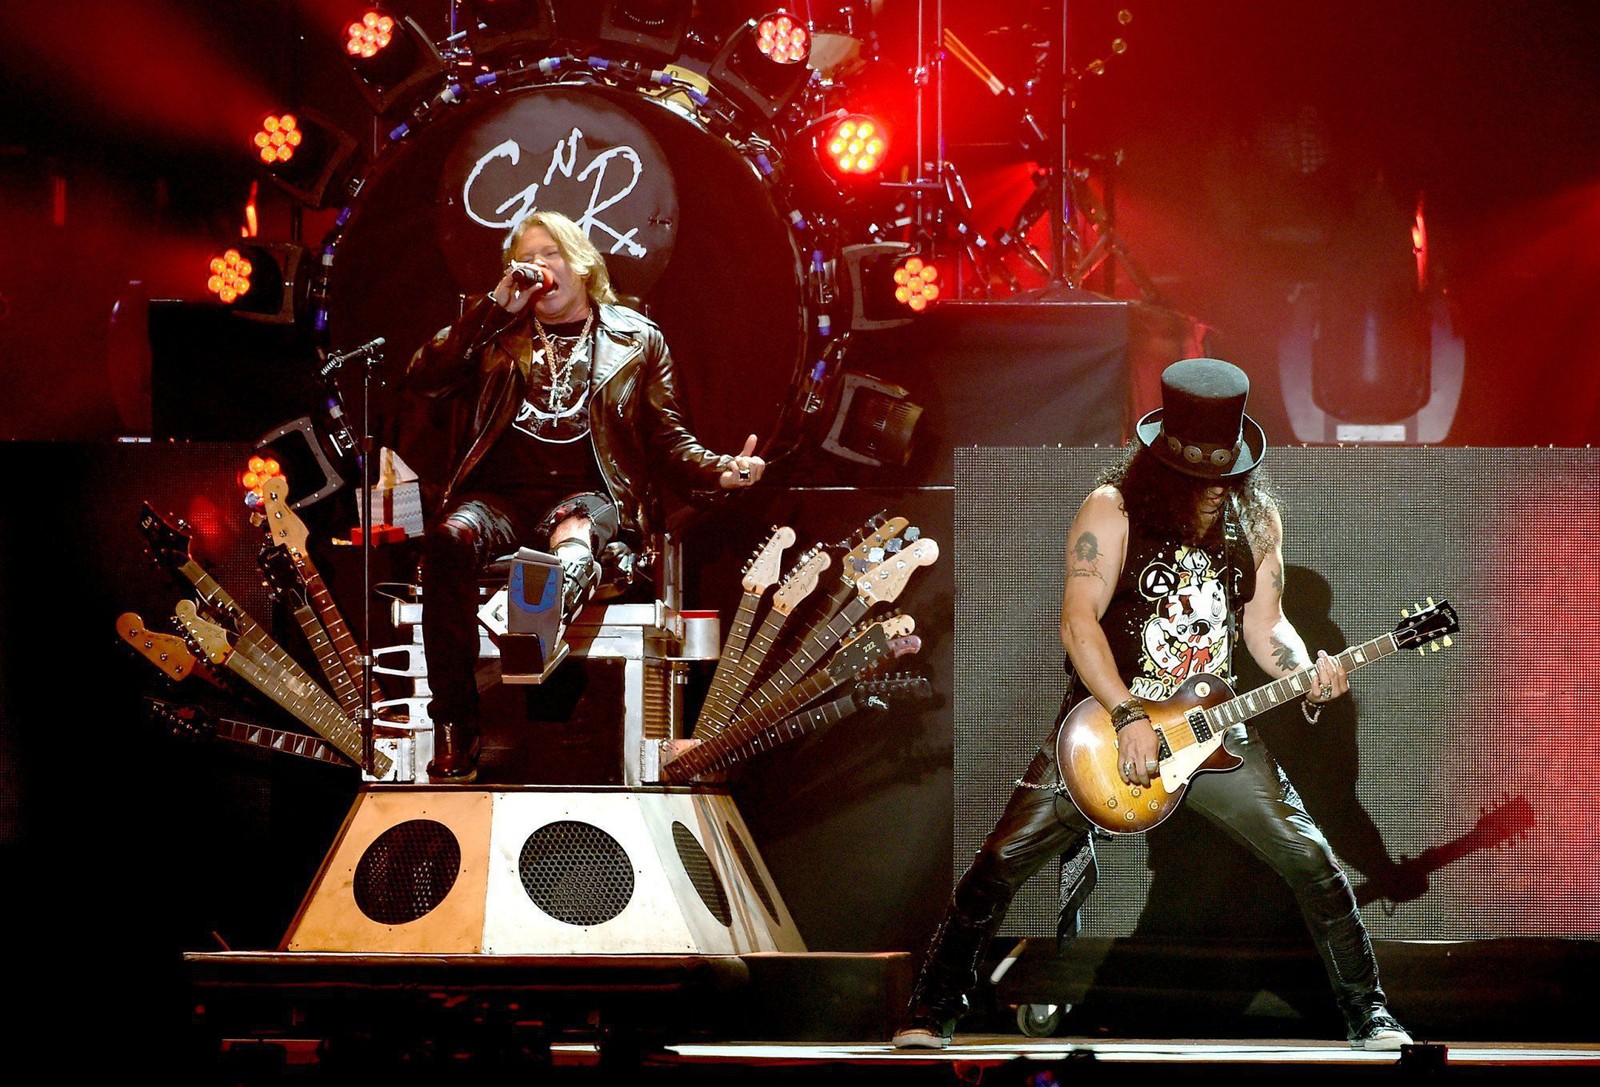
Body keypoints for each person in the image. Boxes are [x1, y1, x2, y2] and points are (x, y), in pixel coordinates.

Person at [891, 357, 1412, 1051]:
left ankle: (1369, 1013)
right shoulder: (1111, 510)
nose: (1207, 493)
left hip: (1213, 727)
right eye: (1193, 479)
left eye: (1219, 478)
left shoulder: (1256, 519)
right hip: (1106, 727)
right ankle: (931, 1008)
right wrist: (1128, 712)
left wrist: (1307, 668)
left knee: (1311, 861)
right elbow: (1079, 620)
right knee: (1000, 862)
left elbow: (1266, 624)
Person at [403, 208, 765, 783]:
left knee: (573, 539)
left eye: (550, 254)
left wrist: (722, 471)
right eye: (524, 258)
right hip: (499, 498)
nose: (536, 267)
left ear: (583, 264)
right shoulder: (494, 334)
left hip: (589, 495)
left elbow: (667, 438)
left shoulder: (637, 339)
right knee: (449, 540)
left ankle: (527, 633)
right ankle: (456, 723)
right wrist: (495, 306)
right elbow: (426, 375)